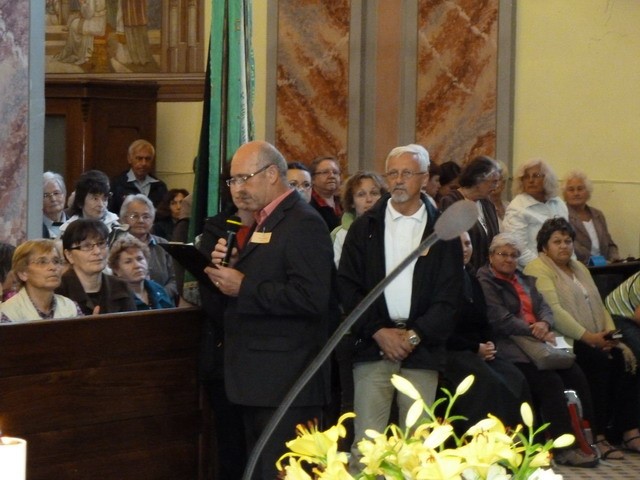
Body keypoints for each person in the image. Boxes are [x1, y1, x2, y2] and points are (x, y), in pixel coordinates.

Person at [203, 140, 336, 480]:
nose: (237, 189)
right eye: (233, 180)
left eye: (244, 178)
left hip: (288, 383)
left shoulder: (303, 222)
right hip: (258, 381)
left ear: (272, 174)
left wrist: (244, 286)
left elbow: (313, 297)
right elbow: (269, 277)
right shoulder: (263, 221)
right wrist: (233, 268)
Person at [337, 143, 462, 469]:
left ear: (425, 178)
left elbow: (450, 297)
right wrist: (378, 331)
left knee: (417, 450)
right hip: (373, 345)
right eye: (392, 173)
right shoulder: (365, 227)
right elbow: (347, 287)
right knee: (366, 448)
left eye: (407, 173)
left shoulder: (443, 231)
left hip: (422, 348)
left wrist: (414, 336)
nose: (398, 180)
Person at [477, 233, 598, 467]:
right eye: (503, 254)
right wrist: (534, 329)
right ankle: (563, 449)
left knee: (576, 374)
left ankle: (592, 439)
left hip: (540, 343)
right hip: (509, 345)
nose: (509, 259)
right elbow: (499, 318)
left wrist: (543, 323)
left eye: (514, 255)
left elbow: (546, 308)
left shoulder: (524, 278)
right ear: (491, 256)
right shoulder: (485, 281)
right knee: (550, 382)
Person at [524, 218, 640, 457]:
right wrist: (589, 338)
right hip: (561, 338)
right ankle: (598, 436)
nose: (564, 246)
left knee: (626, 357)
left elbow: (600, 305)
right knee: (599, 363)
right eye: (557, 241)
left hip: (595, 336)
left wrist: (611, 337)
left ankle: (627, 430)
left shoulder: (579, 268)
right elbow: (555, 312)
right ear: (544, 246)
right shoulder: (538, 268)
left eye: (568, 241)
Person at [444, 232, 530, 431]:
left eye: (468, 244)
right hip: (453, 350)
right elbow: (444, 328)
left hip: (479, 349)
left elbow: (484, 320)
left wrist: (489, 343)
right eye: (458, 244)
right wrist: (476, 348)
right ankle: (486, 441)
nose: (464, 249)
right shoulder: (441, 280)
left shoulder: (471, 279)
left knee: (515, 377)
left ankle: (520, 440)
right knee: (489, 382)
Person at [57, 218, 137, 315]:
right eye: (87, 246)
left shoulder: (121, 288)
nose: (97, 251)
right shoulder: (58, 292)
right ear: (69, 255)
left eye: (101, 243)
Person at [503, 158, 568, 267]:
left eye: (536, 176)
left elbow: (568, 240)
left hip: (562, 266)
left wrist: (570, 267)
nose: (531, 180)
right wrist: (549, 268)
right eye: (526, 177)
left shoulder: (558, 203)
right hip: (533, 269)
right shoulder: (517, 207)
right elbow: (519, 250)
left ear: (547, 178)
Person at [0, 240, 82, 323]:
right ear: (23, 273)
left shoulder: (71, 308)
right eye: (42, 262)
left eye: (56, 261)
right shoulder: (8, 313)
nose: (53, 267)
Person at [440, 156, 500, 270]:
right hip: (462, 273)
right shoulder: (451, 202)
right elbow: (452, 246)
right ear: (478, 180)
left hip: (487, 275)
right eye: (493, 182)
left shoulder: (488, 204)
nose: (495, 187)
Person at [119, 194, 178, 301]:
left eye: (146, 216)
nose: (141, 220)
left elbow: (175, 279)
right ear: (124, 219)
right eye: (134, 216)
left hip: (164, 304)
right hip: (128, 305)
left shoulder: (164, 245)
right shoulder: (117, 247)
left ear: (153, 220)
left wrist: (158, 295)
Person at [562, 170, 620, 265]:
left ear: (588, 192)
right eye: (571, 190)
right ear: (565, 194)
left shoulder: (598, 215)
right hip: (579, 268)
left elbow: (610, 244)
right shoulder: (562, 215)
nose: (576, 193)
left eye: (580, 189)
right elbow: (572, 246)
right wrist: (599, 262)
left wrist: (615, 258)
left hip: (606, 267)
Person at [331, 170, 386, 267]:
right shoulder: (339, 234)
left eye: (374, 193)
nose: (369, 199)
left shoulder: (393, 228)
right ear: (352, 202)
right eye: (361, 194)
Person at [108, 236, 174, 310]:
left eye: (140, 259)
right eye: (128, 262)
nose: (137, 265)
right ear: (116, 269)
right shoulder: (114, 298)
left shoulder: (158, 289)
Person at [110, 139, 168, 215]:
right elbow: (111, 213)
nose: (144, 163)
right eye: (139, 158)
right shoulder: (117, 184)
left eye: (147, 159)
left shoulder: (160, 187)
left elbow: (165, 214)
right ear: (129, 159)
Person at [59, 169, 121, 237]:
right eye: (95, 198)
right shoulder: (68, 230)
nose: (101, 205)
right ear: (80, 202)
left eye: (105, 199)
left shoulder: (116, 229)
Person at [54, 0, 107, 65]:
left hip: (95, 23)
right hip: (98, 22)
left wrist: (82, 3)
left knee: (73, 25)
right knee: (75, 23)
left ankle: (76, 54)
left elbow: (89, 14)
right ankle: (75, 53)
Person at [309, 155, 343, 230]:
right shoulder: (308, 204)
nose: (332, 176)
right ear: (312, 179)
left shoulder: (345, 203)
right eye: (325, 172)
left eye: (335, 172)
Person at [42, 171, 68, 239]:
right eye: (46, 195)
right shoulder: (35, 227)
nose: (53, 199)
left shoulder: (75, 224)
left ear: (64, 194)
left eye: (56, 193)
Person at [489, 160, 510, 227]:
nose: (493, 183)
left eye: (497, 179)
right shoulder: (481, 208)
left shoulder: (510, 206)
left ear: (504, 183)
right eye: (489, 179)